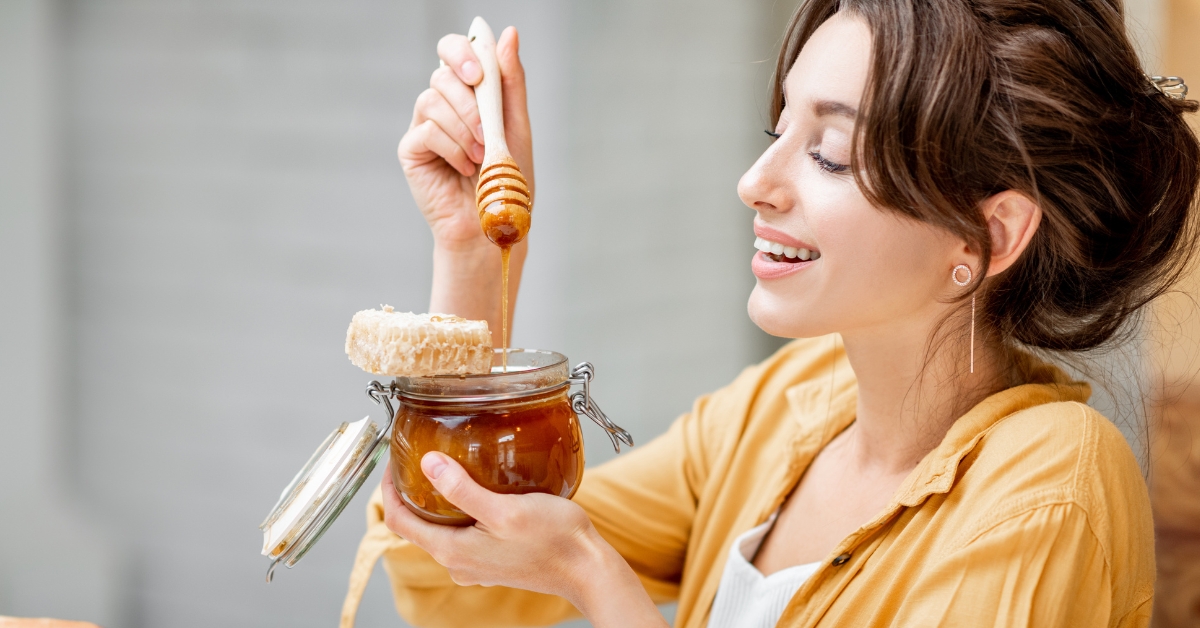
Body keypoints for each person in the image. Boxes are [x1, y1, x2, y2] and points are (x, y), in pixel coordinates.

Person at [339, 0, 1200, 626]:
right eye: (775, 132)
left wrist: (594, 577)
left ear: (990, 232)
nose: (755, 184)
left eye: (826, 154)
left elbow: (553, 560)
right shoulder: (786, 405)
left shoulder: (1050, 489)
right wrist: (474, 254)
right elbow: (460, 580)